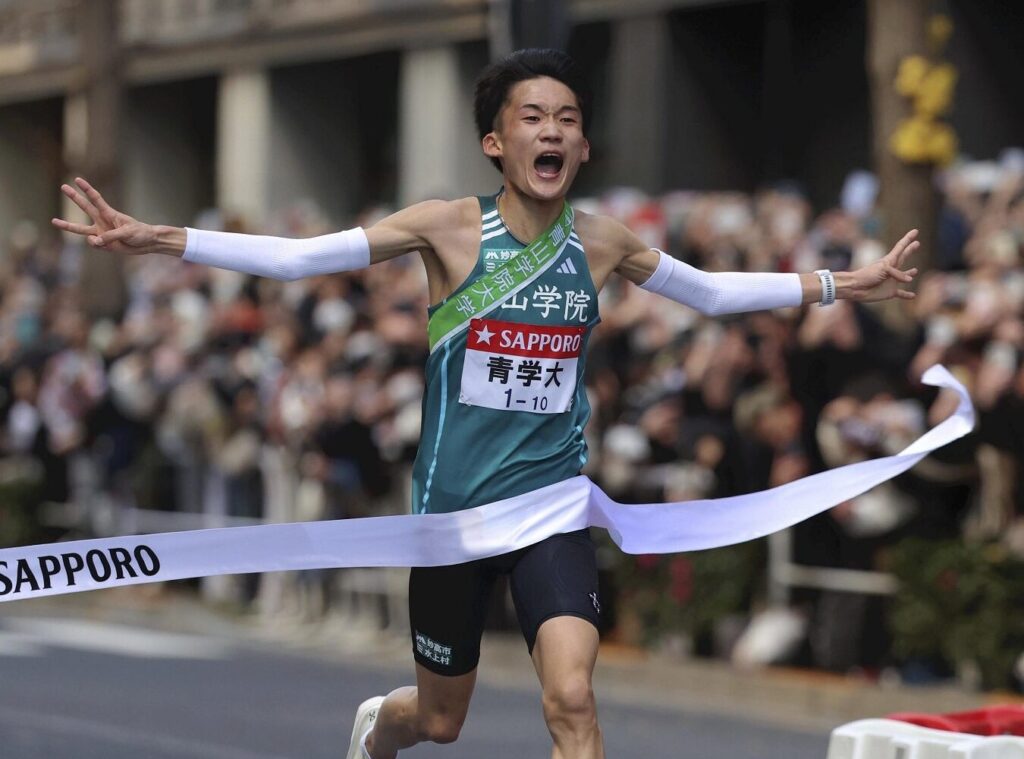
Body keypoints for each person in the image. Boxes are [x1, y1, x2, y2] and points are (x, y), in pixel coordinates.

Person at [52, 48, 919, 759]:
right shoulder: (446, 227)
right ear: (496, 143)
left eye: (568, 119)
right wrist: (160, 238)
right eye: (533, 117)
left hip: (551, 505)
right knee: (440, 720)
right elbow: (301, 259)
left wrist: (843, 282)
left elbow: (714, 293)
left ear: (583, 149)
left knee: (572, 699)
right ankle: (380, 726)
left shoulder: (602, 241)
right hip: (453, 515)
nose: (553, 130)